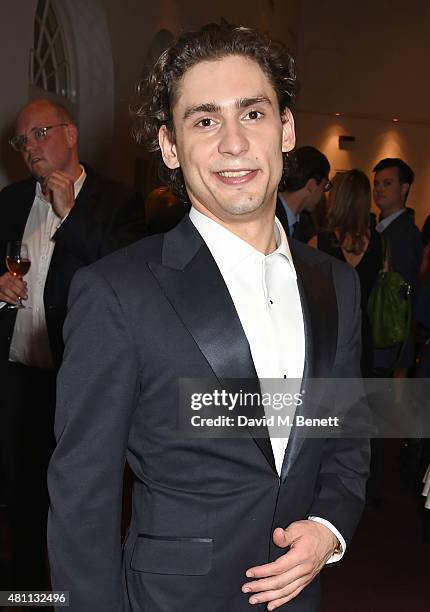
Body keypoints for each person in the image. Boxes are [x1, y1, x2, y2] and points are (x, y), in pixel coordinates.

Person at [48, 24, 369, 612]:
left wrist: (329, 527)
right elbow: (80, 498)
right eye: (204, 120)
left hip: (300, 597)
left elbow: (345, 434)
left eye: (252, 114)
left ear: (286, 129)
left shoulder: (337, 284)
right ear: (170, 146)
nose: (234, 144)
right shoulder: (115, 293)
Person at [0, 99, 146, 590]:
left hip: (82, 381)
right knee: (20, 495)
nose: (30, 147)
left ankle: (77, 595)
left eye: (40, 133)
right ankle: (27, 593)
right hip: (20, 376)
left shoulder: (118, 201)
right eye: (22, 140)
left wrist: (71, 218)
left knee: (79, 498)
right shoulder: (11, 201)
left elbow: (129, 282)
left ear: (71, 134)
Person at [314, 169, 381, 377]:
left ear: (337, 198)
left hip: (328, 333)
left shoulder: (319, 242)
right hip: (364, 331)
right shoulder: (381, 242)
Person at [372, 157, 422, 375]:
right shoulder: (384, 228)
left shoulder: (404, 234)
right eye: (376, 184)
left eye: (387, 183)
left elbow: (398, 296)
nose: (379, 190)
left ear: (404, 188)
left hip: (389, 338)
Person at [276, 146, 331, 242]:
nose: (323, 194)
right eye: (324, 186)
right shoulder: (270, 218)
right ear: (311, 186)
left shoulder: (304, 225)